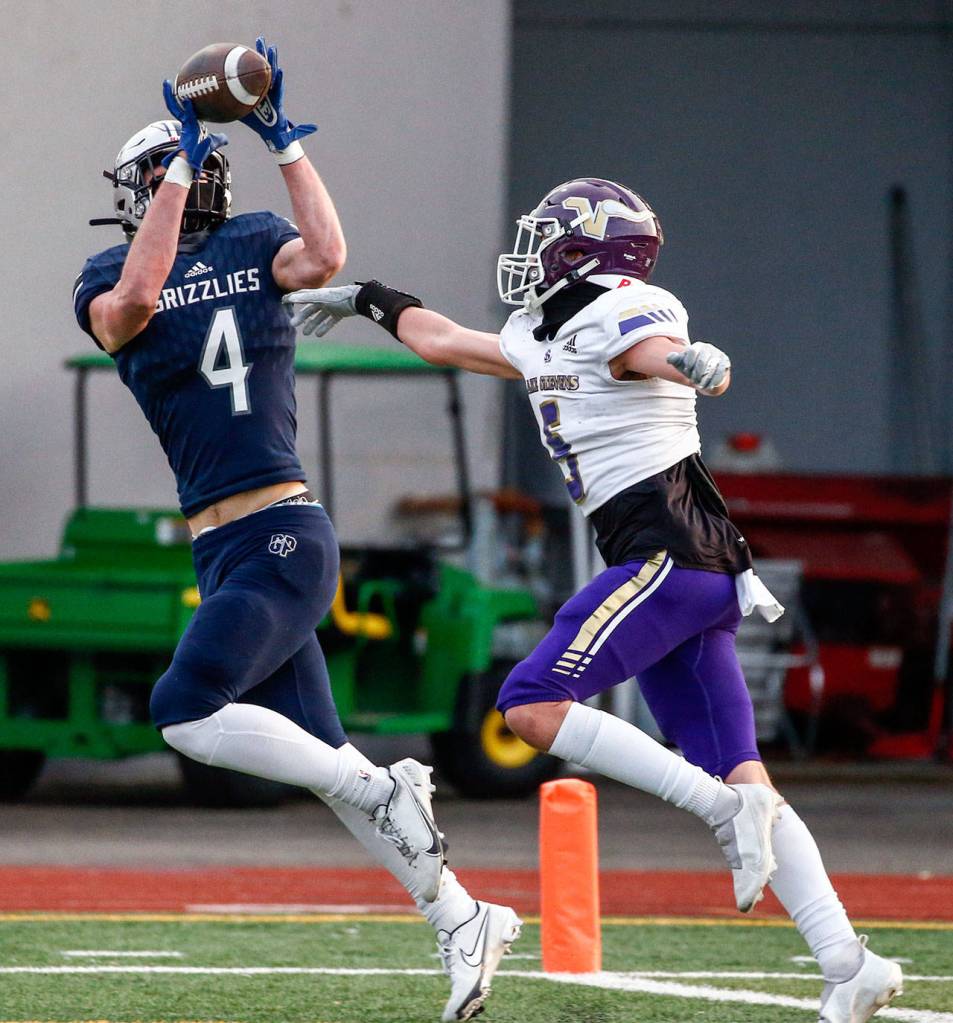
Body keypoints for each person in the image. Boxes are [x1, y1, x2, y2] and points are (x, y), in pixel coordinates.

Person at [283, 177, 904, 1023]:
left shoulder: (621, 309)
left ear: (588, 249)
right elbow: (442, 340)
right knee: (744, 769)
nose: (532, 247)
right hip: (694, 571)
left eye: (548, 233)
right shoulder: (546, 331)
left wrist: (696, 363)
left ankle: (724, 813)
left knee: (530, 703)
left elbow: (653, 351)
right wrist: (366, 297)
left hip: (668, 556)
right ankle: (847, 959)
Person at [72, 38, 520, 1023]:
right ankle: (461, 918)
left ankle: (393, 789)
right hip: (221, 542)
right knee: (331, 768)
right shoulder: (111, 271)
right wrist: (181, 168)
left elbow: (326, 258)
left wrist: (281, 138)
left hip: (283, 530)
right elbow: (135, 303)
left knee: (185, 709)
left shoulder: (254, 239)